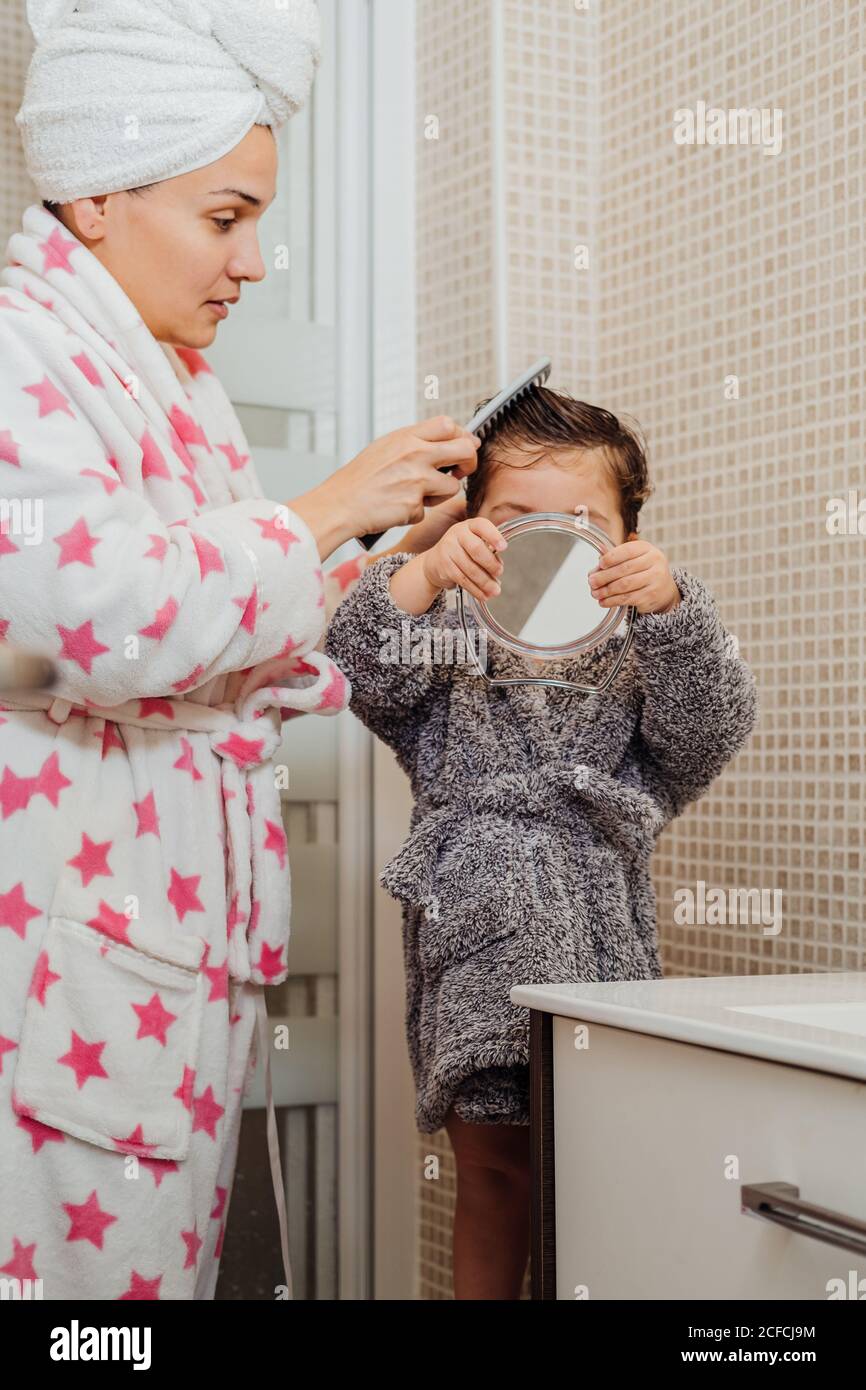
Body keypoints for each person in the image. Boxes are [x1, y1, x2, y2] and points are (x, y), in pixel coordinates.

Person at [0, 0, 478, 1300]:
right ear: (99, 195)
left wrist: (385, 557)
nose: (254, 261)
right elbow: (99, 616)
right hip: (66, 970)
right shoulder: (18, 354)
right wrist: (323, 503)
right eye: (226, 216)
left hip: (160, 967)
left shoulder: (163, 376)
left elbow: (224, 638)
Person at [324, 385, 760, 1299]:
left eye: (578, 519)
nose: (542, 538)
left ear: (627, 535)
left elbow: (711, 730)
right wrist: (426, 570)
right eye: (513, 518)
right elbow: (350, 669)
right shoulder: (449, 633)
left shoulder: (642, 644)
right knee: (494, 1176)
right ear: (473, 522)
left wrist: (675, 606)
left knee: (599, 1172)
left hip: (599, 935)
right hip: (475, 931)